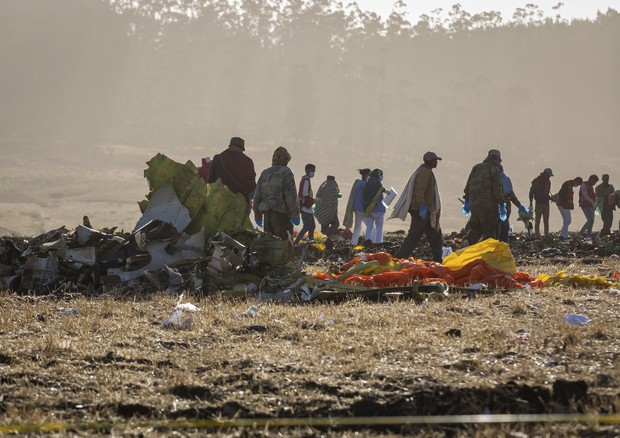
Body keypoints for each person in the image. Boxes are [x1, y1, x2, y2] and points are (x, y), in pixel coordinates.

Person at [391, 152, 443, 262]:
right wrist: (422, 205)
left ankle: (438, 261)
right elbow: (419, 190)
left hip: (426, 211)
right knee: (413, 237)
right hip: (421, 210)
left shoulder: (426, 171)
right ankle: (397, 259)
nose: (436, 162)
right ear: (430, 161)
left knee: (436, 237)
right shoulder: (425, 172)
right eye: (435, 160)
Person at [253, 146, 300, 240]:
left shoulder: (265, 173)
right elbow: (290, 196)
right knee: (283, 243)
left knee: (269, 242)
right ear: (285, 159)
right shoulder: (286, 172)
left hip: (267, 215)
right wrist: (295, 215)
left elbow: (257, 196)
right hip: (281, 214)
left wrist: (257, 215)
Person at [462, 149, 505, 244]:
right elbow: (497, 190)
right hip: (489, 207)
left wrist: (467, 201)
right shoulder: (494, 170)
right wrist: (502, 205)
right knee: (490, 232)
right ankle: (488, 254)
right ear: (496, 159)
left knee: (476, 228)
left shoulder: (476, 168)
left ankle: (468, 240)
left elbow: (468, 186)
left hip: (474, 205)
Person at [207, 137, 256, 205]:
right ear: (242, 149)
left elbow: (210, 181)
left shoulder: (218, 158)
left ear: (230, 146)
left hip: (220, 203)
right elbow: (251, 186)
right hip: (240, 204)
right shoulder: (248, 162)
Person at [498, 164, 528, 242]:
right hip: (505, 206)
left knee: (497, 226)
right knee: (504, 225)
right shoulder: (506, 180)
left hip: (495, 206)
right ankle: (503, 242)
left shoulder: (491, 180)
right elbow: (511, 195)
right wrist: (519, 206)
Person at [343, 168, 371, 245]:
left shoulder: (358, 183)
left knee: (357, 227)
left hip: (356, 208)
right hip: (361, 209)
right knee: (370, 225)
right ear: (365, 175)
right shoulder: (364, 184)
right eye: (369, 175)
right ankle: (370, 242)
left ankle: (353, 243)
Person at [362, 169, 387, 244]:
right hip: (378, 209)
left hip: (368, 209)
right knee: (379, 227)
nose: (381, 176)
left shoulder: (367, 183)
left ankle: (368, 240)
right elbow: (381, 193)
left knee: (369, 226)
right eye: (381, 175)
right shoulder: (377, 183)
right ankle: (378, 242)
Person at [293, 164, 316, 244]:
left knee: (312, 226)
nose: (313, 172)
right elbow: (305, 194)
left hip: (308, 208)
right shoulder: (306, 181)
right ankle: (296, 242)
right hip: (305, 208)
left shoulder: (305, 180)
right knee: (307, 226)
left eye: (314, 170)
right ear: (307, 171)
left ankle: (310, 240)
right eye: (312, 170)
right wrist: (314, 200)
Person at [528, 168, 554, 237]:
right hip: (540, 203)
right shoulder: (537, 181)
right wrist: (530, 203)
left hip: (545, 203)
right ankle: (538, 235)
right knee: (538, 221)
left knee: (544, 221)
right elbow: (532, 192)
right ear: (546, 174)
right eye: (549, 175)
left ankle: (545, 235)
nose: (549, 177)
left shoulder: (547, 181)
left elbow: (544, 194)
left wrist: (550, 198)